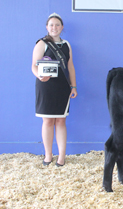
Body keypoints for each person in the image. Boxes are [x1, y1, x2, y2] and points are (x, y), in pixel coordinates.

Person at [32, 13, 78, 167]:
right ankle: (48, 155)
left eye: (57, 25)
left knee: (61, 121)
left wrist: (74, 86)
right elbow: (34, 65)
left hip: (62, 87)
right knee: (47, 121)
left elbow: (70, 67)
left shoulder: (66, 45)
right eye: (51, 25)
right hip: (46, 87)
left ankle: (62, 156)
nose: (54, 27)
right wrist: (39, 76)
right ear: (47, 27)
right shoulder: (42, 43)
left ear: (62, 27)